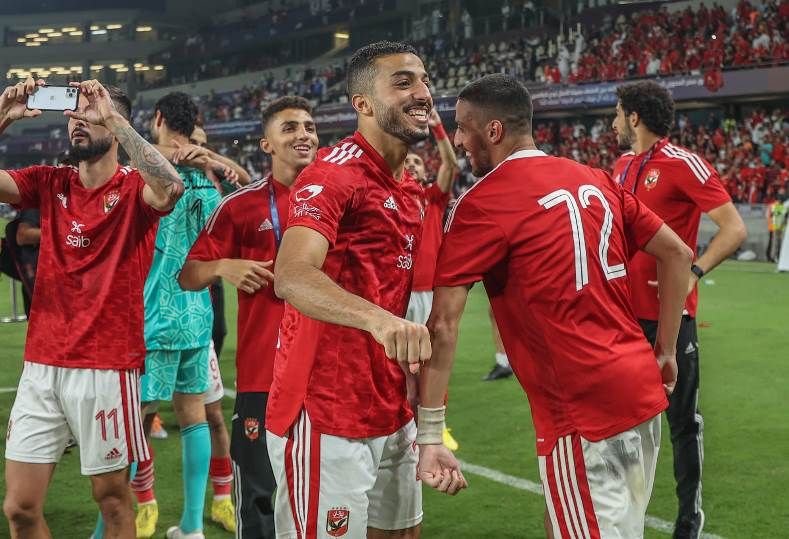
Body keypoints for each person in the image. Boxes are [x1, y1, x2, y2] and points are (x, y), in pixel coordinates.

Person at [414, 74, 693, 537]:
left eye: (462, 127)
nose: (458, 140)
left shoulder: (483, 203)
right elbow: (678, 254)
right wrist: (665, 349)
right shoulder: (595, 178)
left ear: (493, 130)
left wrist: (429, 433)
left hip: (582, 412)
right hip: (639, 390)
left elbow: (442, 324)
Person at [265, 41, 462, 538]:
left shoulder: (409, 190)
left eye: (424, 81)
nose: (422, 93)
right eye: (403, 83)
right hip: (326, 409)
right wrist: (379, 319)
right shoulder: (334, 173)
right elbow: (292, 275)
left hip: (390, 403)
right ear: (363, 104)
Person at [1, 77, 183, 538]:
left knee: (113, 500)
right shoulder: (49, 182)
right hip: (42, 365)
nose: (77, 121)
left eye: (89, 112)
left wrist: (115, 121)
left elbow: (171, 188)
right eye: (72, 114)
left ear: (114, 121)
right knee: (19, 507)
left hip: (106, 366)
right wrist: (1, 117)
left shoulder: (134, 188)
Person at [611, 80, 747, 539]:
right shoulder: (621, 166)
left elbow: (733, 228)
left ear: (633, 117)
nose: (613, 122)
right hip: (623, 316)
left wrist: (695, 271)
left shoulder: (683, 163)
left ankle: (689, 518)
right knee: (624, 422)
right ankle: (625, 513)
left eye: (617, 113)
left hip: (670, 319)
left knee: (682, 423)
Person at [180, 95, 319, 538]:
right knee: (260, 499)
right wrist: (223, 266)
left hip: (326, 373)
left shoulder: (342, 200)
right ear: (266, 145)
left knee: (325, 499)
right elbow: (188, 274)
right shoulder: (241, 206)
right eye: (290, 128)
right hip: (264, 376)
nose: (303, 135)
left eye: (310, 127)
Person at [135, 91, 224, 539]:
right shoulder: (205, 178)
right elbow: (220, 227)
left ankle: (112, 525)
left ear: (157, 119)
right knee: (194, 416)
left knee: (135, 420)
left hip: (153, 312)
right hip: (196, 314)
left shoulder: (146, 167)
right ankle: (191, 526)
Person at [404, 109, 459, 451]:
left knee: (431, 360)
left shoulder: (432, 198)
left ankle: (437, 425)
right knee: (396, 365)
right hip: (396, 292)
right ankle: (402, 426)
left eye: (417, 163)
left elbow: (451, 164)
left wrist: (437, 128)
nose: (412, 165)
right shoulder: (389, 199)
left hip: (426, 292)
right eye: (407, 161)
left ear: (426, 173)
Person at [766, 193, 787, 262]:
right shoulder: (778, 206)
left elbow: (770, 215)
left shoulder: (775, 206)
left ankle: (774, 257)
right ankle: (773, 257)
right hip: (776, 227)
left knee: (775, 243)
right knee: (775, 243)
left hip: (777, 227)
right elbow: (771, 215)